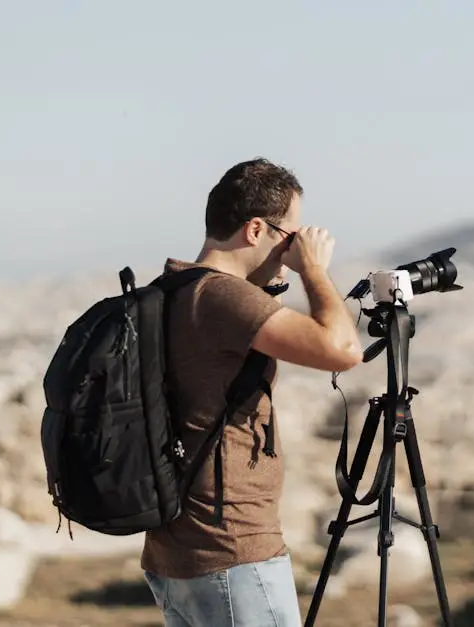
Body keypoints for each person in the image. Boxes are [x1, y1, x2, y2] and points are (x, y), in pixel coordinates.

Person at [141, 157, 364, 626]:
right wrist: (314, 272)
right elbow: (343, 349)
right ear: (256, 228)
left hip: (179, 549)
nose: (293, 249)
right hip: (231, 549)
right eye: (290, 236)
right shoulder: (222, 297)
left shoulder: (174, 289)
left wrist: (276, 278)